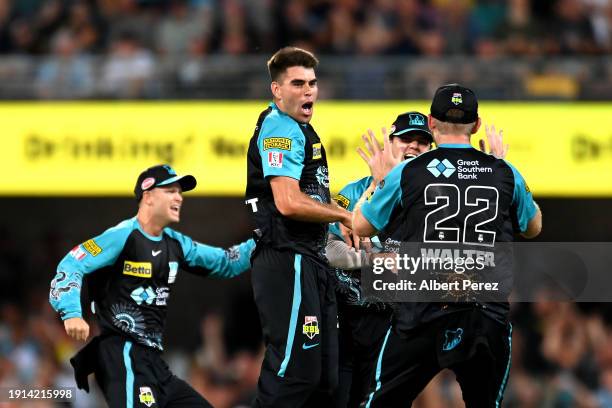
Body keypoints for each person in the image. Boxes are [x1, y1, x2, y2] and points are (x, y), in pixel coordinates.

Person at [352, 84, 542, 407]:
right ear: (477, 125)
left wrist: (378, 180)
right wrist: (500, 169)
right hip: (485, 315)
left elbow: (359, 224)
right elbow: (534, 226)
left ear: (431, 123)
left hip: (423, 312)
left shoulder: (408, 172)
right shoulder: (504, 172)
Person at [49, 164, 255, 408]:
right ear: (147, 196)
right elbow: (71, 264)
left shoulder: (177, 244)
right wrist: (71, 312)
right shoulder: (121, 236)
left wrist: (267, 237)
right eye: (170, 191)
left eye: (180, 192)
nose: (179, 197)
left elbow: (225, 262)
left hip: (154, 362)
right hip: (122, 355)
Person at [245, 46, 352, 407]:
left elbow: (312, 192)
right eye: (297, 83)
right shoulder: (280, 128)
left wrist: (340, 213)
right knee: (293, 373)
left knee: (324, 379)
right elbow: (288, 202)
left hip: (310, 259)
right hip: (287, 258)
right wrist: (343, 217)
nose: (309, 91)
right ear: (277, 90)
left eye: (312, 83)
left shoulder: (302, 128)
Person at [327, 111, 433, 408]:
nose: (413, 146)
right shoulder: (355, 190)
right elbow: (331, 253)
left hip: (394, 326)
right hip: (345, 319)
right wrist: (378, 185)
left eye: (423, 142)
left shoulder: (432, 202)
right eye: (406, 139)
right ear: (390, 143)